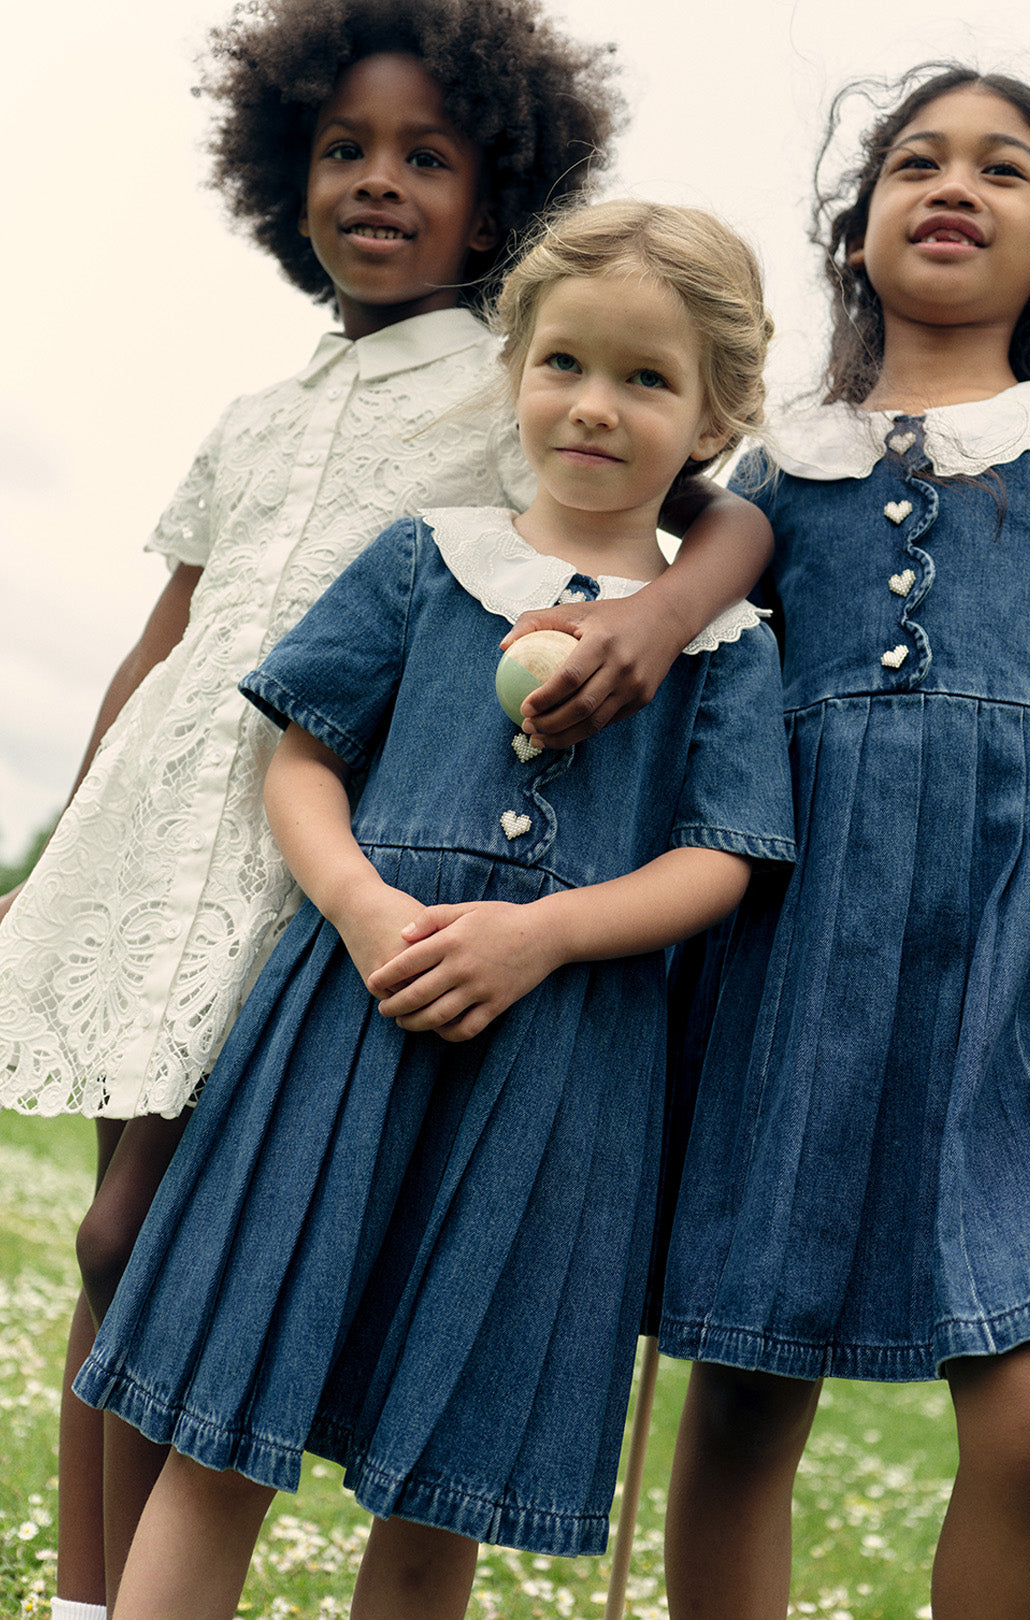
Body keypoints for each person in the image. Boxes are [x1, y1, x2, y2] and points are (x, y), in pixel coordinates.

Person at [0, 8, 771, 1616]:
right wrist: (65, 844)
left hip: (332, 871)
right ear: (287, 172)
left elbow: (716, 521)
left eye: (424, 155)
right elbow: (164, 642)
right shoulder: (260, 412)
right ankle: (90, 1595)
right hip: (174, 844)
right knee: (108, 1241)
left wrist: (658, 615)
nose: (376, 181)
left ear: (494, 207)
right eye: (343, 148)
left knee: (159, 1237)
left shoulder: (512, 382)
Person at [644, 65, 1030, 1620]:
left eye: (1002, 168)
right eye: (915, 161)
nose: (952, 182)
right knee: (748, 1386)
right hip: (792, 955)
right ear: (859, 230)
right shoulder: (778, 468)